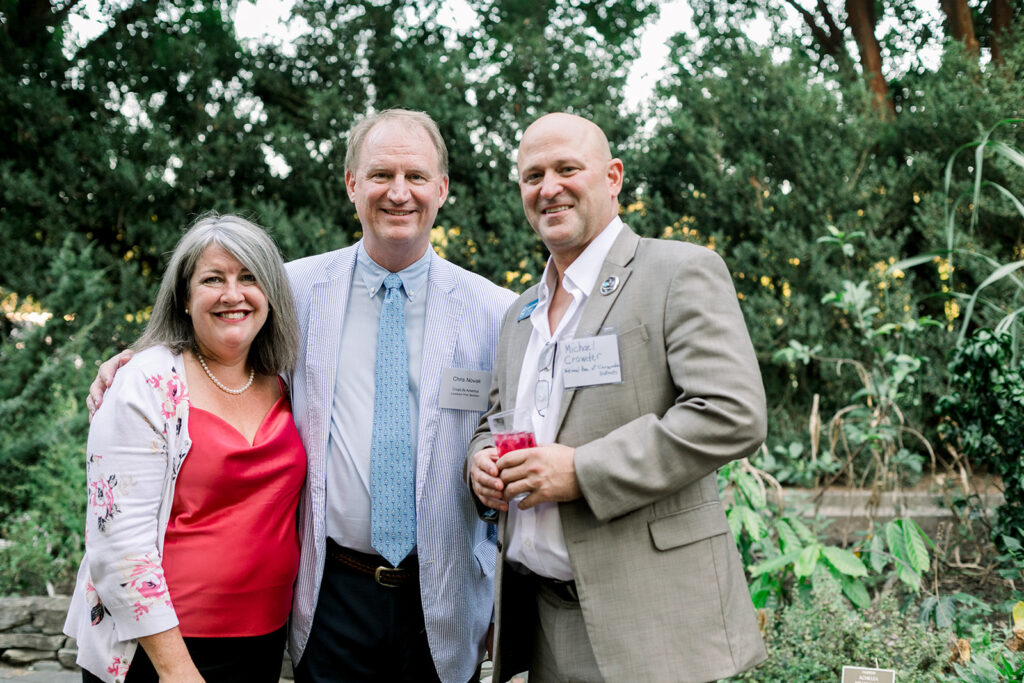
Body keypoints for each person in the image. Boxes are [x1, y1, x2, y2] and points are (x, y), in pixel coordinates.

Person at [88, 109, 516, 682]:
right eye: (380, 174)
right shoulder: (291, 289)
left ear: (442, 189)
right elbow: (214, 331)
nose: (398, 192)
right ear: (350, 184)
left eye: (415, 176)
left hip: (443, 593)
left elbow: (504, 426)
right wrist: (135, 362)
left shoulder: (495, 313)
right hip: (332, 591)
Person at [467, 112, 769, 682]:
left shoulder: (678, 273)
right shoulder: (518, 314)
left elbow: (733, 414)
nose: (548, 187)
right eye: (533, 176)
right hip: (543, 623)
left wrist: (583, 470)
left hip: (653, 622)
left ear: (612, 177)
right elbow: (494, 417)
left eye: (567, 169)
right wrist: (479, 460)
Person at [65, 213, 305, 683]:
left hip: (261, 641)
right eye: (213, 279)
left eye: (249, 278)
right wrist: (177, 670)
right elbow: (118, 542)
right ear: (184, 296)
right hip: (160, 651)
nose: (233, 295)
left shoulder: (286, 379)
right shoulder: (144, 383)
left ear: (271, 295)